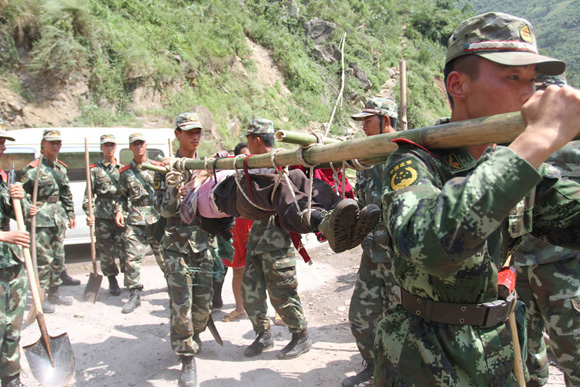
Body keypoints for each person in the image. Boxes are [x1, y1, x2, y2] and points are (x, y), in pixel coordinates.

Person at [375, 12, 580, 385]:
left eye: (533, 81)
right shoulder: (415, 160)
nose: (529, 93)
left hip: (502, 342)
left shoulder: (508, 159)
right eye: (513, 77)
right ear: (458, 84)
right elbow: (432, 248)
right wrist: (536, 140)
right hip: (426, 353)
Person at [512, 75, 580, 387]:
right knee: (524, 357)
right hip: (520, 264)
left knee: (574, 356)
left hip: (565, 268)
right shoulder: (515, 137)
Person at [343, 98, 402, 387]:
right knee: (361, 316)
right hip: (372, 252)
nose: (362, 125)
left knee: (400, 321)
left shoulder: (406, 153)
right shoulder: (364, 159)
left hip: (400, 256)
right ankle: (373, 364)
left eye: (368, 119)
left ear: (386, 119)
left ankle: (397, 375)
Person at [153, 113, 213, 387]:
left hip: (203, 242)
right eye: (189, 131)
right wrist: (174, 189)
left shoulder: (209, 164)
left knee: (203, 304)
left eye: (198, 131)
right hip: (176, 246)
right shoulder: (162, 168)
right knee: (182, 305)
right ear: (177, 134)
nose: (195, 136)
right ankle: (187, 357)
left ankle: (195, 333)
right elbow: (163, 211)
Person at [21, 129, 77, 313]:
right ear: (43, 144)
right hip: (40, 219)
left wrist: (70, 215)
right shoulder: (33, 169)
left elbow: (66, 194)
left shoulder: (61, 168)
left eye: (58, 143)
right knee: (42, 260)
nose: (55, 146)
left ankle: (54, 293)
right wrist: (28, 207)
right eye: (51, 142)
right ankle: (41, 296)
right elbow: (20, 194)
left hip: (57, 217)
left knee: (58, 258)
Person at [0, 119, 35, 387]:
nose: (2, 147)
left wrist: (19, 199)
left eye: (3, 142)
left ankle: (11, 377)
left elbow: (13, 213)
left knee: (12, 328)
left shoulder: (1, 177)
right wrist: (4, 235)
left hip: (10, 263)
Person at [115, 133, 164, 314]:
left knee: (165, 256)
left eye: (141, 143)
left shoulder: (158, 168)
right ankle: (134, 293)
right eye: (134, 144)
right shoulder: (125, 173)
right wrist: (119, 210)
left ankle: (174, 288)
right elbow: (120, 196)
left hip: (157, 217)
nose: (138, 147)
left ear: (146, 145)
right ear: (130, 147)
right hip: (136, 218)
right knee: (132, 257)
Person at [84, 134, 125, 296]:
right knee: (106, 251)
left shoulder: (123, 168)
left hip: (121, 213)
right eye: (106, 145)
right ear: (101, 148)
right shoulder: (95, 170)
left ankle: (130, 280)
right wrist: (89, 213)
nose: (109, 148)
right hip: (102, 215)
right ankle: (112, 281)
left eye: (112, 145)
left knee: (125, 248)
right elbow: (88, 196)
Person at [222, 142, 251, 323]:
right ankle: (240, 309)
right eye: (245, 157)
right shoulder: (230, 174)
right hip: (236, 225)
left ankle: (279, 310)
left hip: (256, 224)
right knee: (238, 270)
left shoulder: (264, 172)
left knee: (266, 270)